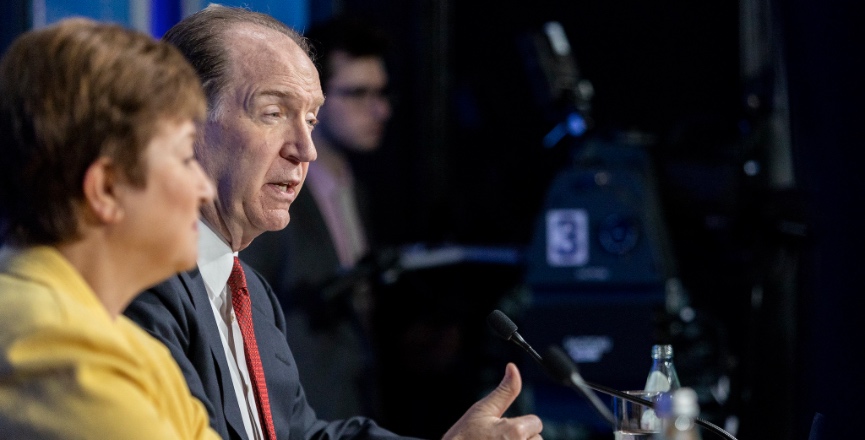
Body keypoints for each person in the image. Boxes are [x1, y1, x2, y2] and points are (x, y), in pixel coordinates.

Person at [123, 5, 544, 440]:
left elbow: (303, 434)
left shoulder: (253, 297)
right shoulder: (137, 286)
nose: (306, 150)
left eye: (310, 120)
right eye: (273, 113)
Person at [0, 18, 219, 439]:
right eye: (186, 157)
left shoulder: (129, 347)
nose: (204, 189)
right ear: (106, 188)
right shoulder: (58, 348)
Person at [240, 15, 394, 422]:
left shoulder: (358, 191)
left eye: (381, 92)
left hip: (354, 408)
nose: (380, 109)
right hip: (294, 413)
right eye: (358, 93)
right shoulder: (269, 195)